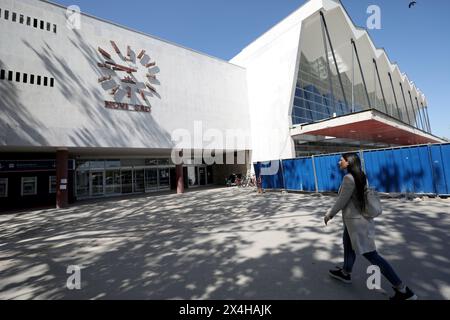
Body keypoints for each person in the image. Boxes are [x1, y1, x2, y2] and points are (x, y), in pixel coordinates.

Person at [324, 153, 417, 300]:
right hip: (355, 221)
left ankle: (403, 290)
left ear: (348, 163)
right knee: (348, 245)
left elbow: (341, 201)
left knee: (371, 255)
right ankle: (346, 272)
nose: (338, 162)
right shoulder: (361, 175)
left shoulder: (348, 178)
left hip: (357, 223)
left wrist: (329, 214)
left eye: (341, 160)